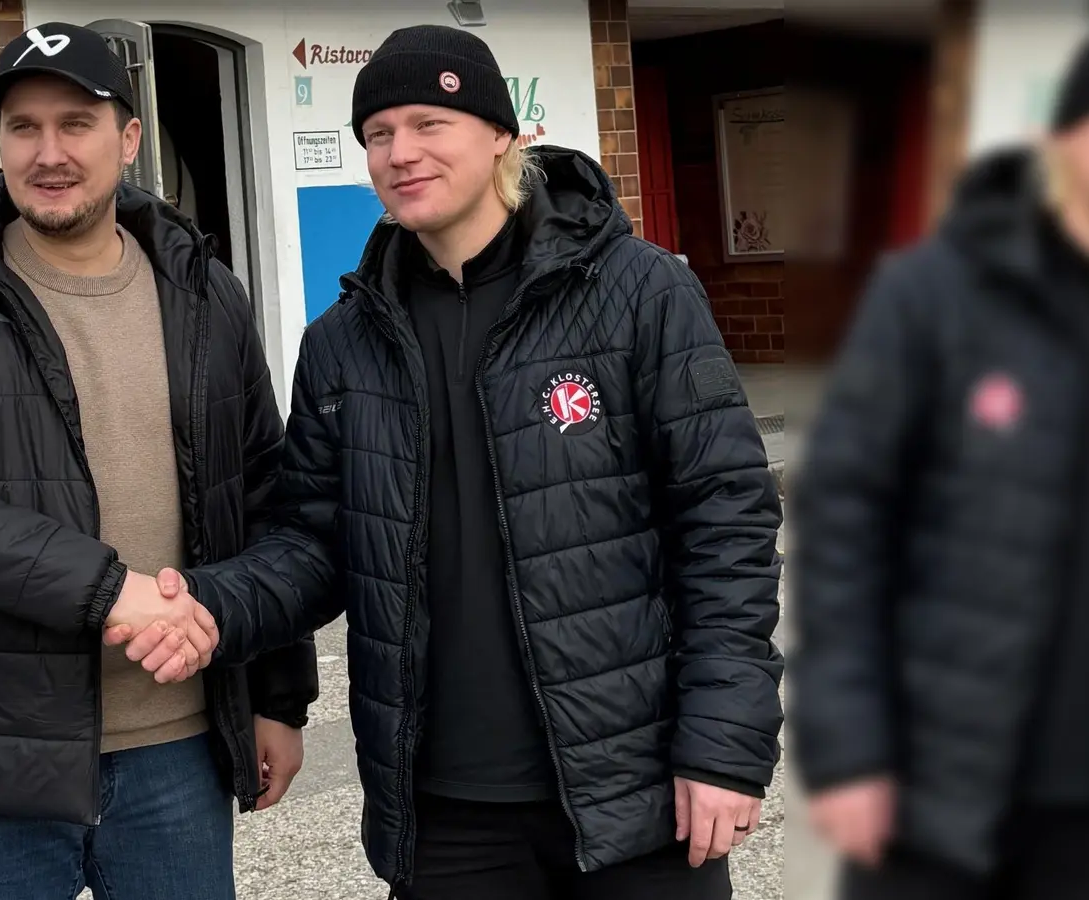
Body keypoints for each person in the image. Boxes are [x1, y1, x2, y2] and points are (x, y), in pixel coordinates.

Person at [109, 24, 783, 900]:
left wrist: (724, 744)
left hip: (632, 793)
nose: (401, 152)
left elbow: (724, 522)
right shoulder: (342, 343)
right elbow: (313, 545)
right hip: (444, 810)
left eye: (431, 123)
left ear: (501, 134)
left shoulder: (638, 293)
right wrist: (205, 604)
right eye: (379, 134)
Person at [0, 22, 318, 900]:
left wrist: (278, 699)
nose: (48, 151)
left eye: (76, 123)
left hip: (177, 752)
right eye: (23, 127)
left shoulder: (202, 289)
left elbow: (263, 497)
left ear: (129, 138)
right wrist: (113, 591)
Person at [792, 28, 1089, 900]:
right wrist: (851, 749)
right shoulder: (935, 297)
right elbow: (845, 527)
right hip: (948, 792)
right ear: (1063, 138)